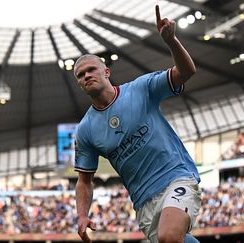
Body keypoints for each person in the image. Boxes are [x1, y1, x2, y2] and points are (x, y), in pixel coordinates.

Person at [73, 4, 201, 243]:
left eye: (91, 70)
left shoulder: (141, 89)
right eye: (80, 75)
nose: (86, 76)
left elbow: (186, 72)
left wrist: (172, 41)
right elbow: (84, 180)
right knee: (174, 240)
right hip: (143, 202)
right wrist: (81, 215)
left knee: (169, 236)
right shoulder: (85, 130)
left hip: (176, 177)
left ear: (106, 72)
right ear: (79, 84)